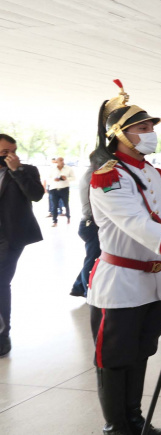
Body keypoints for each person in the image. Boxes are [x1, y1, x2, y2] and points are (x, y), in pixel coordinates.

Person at [86, 80, 161, 434]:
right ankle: (117, 427)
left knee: (140, 354)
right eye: (142, 128)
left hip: (155, 280)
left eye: (151, 127)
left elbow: (160, 217)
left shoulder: (150, 172)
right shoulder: (108, 177)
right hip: (121, 283)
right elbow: (137, 224)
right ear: (120, 134)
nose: (151, 132)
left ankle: (135, 419)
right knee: (114, 359)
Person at [0, 133, 43, 357]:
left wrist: (16, 171)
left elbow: (36, 195)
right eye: (5, 152)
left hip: (10, 236)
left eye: (13, 151)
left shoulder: (27, 170)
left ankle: (2, 335)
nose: (11, 155)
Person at [70, 169, 101, 298]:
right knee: (93, 258)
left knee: (93, 257)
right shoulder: (94, 176)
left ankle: (79, 287)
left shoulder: (89, 174)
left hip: (89, 222)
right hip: (92, 223)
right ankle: (87, 291)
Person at [48, 156, 74, 226]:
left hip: (64, 188)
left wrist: (66, 178)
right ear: (57, 161)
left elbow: (73, 178)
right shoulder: (52, 169)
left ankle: (68, 217)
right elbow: (48, 178)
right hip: (54, 189)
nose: (62, 161)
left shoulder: (68, 169)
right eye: (60, 160)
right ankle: (55, 221)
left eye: (63, 160)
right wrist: (54, 179)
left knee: (66, 204)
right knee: (55, 205)